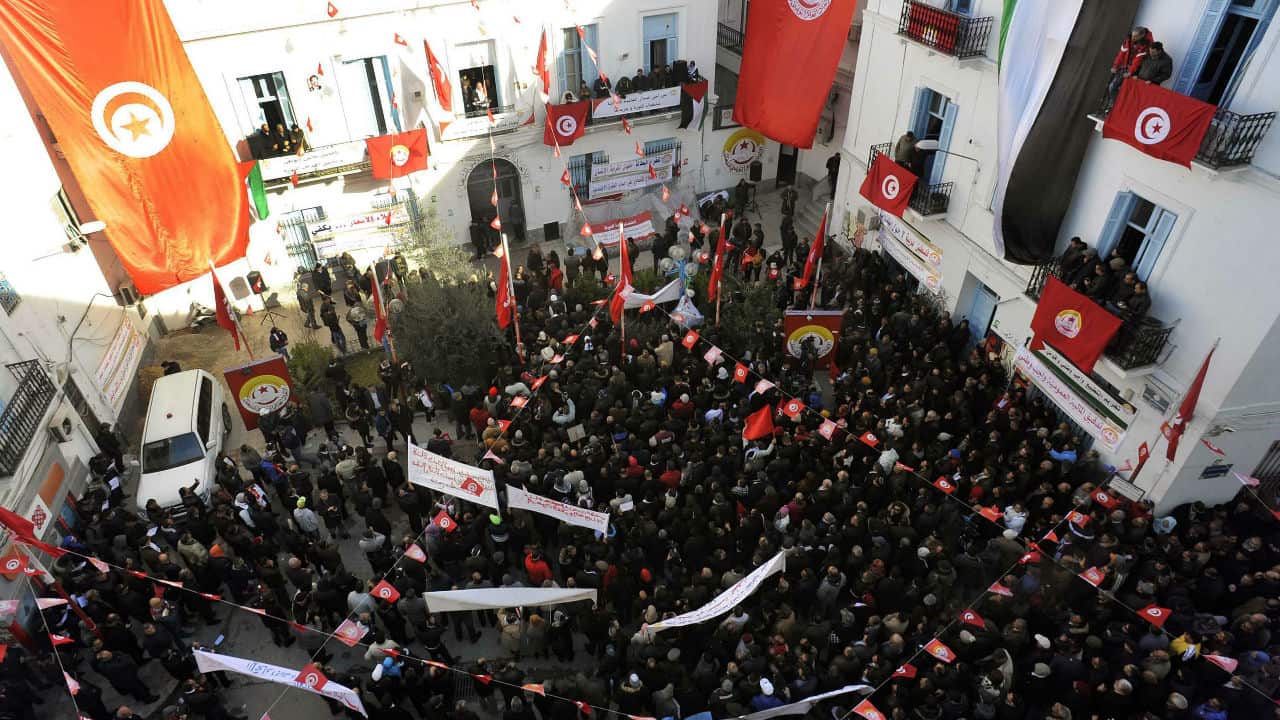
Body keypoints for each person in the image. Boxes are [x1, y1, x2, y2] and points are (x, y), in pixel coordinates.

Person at [1106, 26, 1154, 109]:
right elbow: (1121, 54)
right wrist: (1115, 66)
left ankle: (1123, 107)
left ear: (1141, 36)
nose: (1133, 38)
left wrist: (1130, 72)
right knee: (1112, 87)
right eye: (1132, 35)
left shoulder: (1146, 45)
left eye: (1135, 36)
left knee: (1128, 92)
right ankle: (1117, 106)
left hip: (1137, 71)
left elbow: (1137, 61)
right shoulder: (1128, 39)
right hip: (1125, 67)